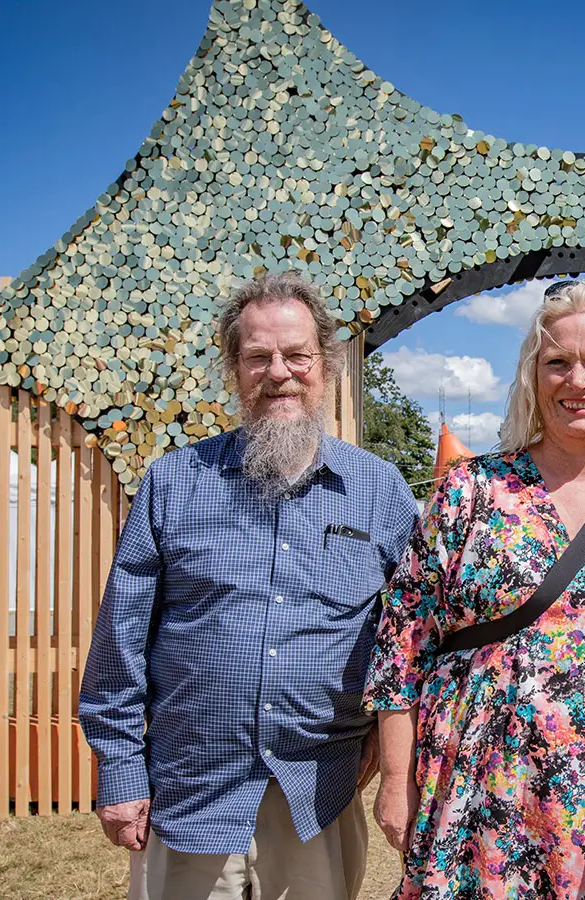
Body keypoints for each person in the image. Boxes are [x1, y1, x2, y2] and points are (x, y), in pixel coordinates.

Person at [79, 272, 420, 900]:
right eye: (258, 356)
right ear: (234, 368)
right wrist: (122, 771)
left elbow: (411, 636)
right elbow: (120, 640)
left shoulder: (380, 492)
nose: (279, 372)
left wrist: (384, 739)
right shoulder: (173, 483)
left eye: (296, 355)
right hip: (191, 789)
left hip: (319, 786)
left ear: (327, 366)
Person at [363, 281, 585, 900]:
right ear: (531, 377)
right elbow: (402, 640)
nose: (578, 381)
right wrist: (394, 774)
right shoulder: (471, 490)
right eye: (557, 363)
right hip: (472, 783)